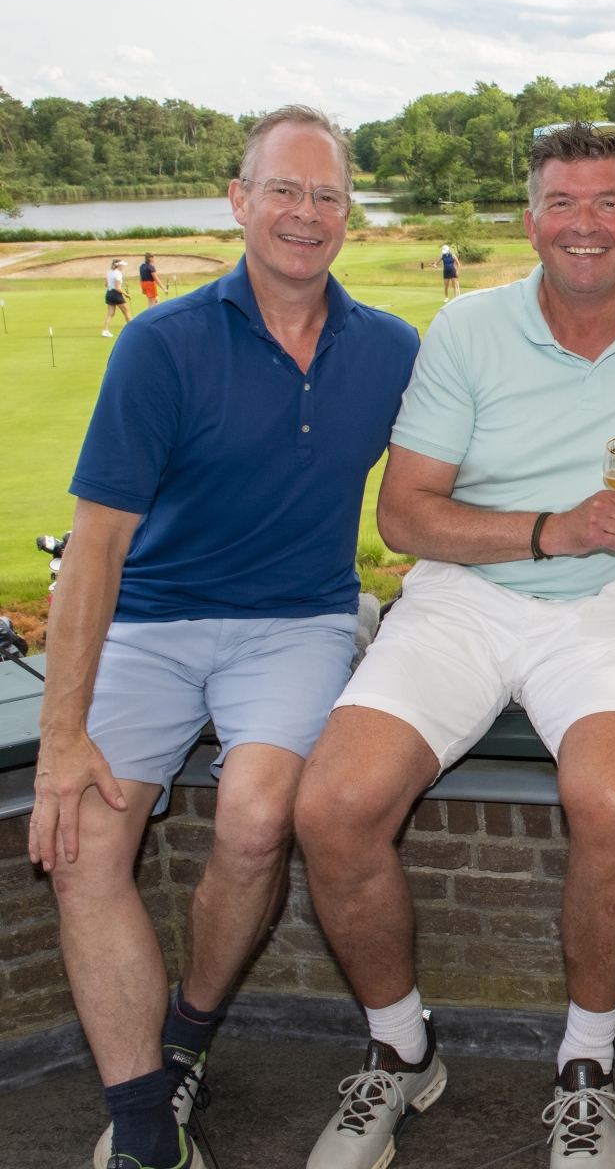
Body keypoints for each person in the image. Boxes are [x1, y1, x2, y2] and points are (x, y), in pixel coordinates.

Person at [293, 123, 615, 1169]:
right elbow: (404, 515)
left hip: (611, 601)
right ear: (531, 222)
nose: (586, 225)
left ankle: (585, 1069)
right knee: (332, 807)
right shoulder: (467, 328)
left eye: (609, 203)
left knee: (611, 801)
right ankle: (401, 1051)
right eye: (563, 204)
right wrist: (544, 531)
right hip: (464, 595)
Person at [30, 104, 418, 1169]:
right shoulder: (161, 344)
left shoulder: (391, 350)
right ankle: (143, 1120)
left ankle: (187, 1039)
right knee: (83, 842)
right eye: (282, 189)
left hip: (296, 624)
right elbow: (96, 550)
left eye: (327, 194)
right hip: (150, 621)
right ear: (240, 201)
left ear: (349, 214)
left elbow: (445, 487)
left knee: (255, 822)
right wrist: (62, 734)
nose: (304, 212)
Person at [102, 258, 131, 336]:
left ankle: (105, 330)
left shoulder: (109, 272)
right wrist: (126, 294)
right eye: (122, 265)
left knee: (110, 314)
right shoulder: (118, 274)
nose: (122, 267)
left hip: (109, 293)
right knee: (126, 312)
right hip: (116, 294)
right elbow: (117, 288)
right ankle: (132, 329)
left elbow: (106, 284)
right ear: (119, 266)